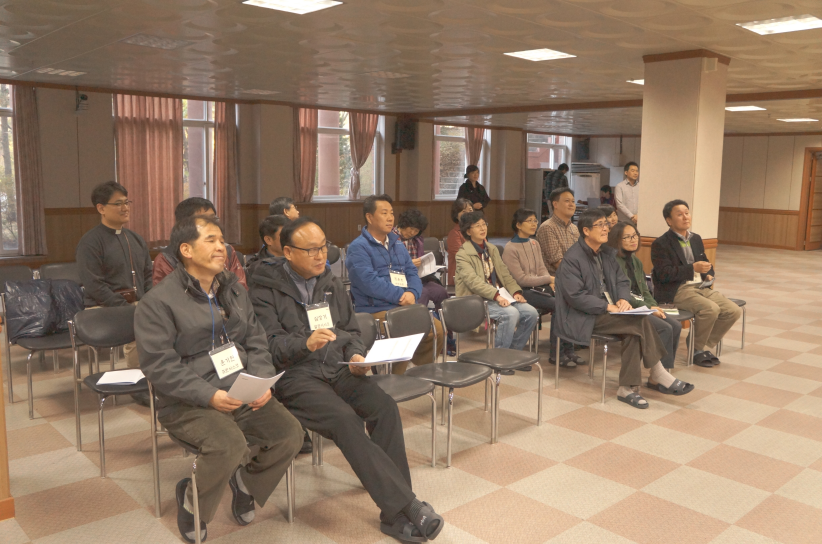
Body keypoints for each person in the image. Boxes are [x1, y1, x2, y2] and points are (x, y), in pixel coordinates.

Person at [250, 217, 445, 543]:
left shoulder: (329, 281)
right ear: (288, 252)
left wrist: (356, 355)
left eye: (323, 247)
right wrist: (305, 343)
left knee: (384, 408)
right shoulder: (264, 287)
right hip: (295, 375)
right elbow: (267, 345)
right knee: (345, 420)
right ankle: (405, 508)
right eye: (311, 250)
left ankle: (396, 508)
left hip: (337, 367)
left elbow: (351, 330)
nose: (320, 255)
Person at [135, 215, 303, 543]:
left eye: (222, 240)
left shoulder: (232, 288)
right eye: (210, 240)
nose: (221, 247)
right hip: (187, 401)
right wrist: (208, 395)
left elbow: (256, 339)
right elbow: (159, 365)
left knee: (290, 434)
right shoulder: (158, 302)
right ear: (186, 250)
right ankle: (192, 501)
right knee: (229, 445)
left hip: (239, 388)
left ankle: (245, 484)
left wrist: (261, 380)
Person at [554, 208, 693, 409]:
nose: (606, 228)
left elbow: (622, 281)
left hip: (609, 311)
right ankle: (657, 372)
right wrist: (606, 305)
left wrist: (621, 298)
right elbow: (575, 296)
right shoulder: (573, 258)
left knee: (634, 332)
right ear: (586, 231)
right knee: (638, 322)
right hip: (582, 316)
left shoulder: (606, 253)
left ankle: (627, 388)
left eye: (606, 224)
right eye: (600, 225)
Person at [346, 195, 444, 375]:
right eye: (384, 213)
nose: (390, 218)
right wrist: (400, 296)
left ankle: (419, 372)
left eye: (391, 213)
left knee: (436, 329)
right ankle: (392, 377)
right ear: (369, 217)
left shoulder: (397, 244)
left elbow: (412, 272)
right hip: (375, 309)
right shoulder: (358, 247)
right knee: (403, 328)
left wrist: (413, 293)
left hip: (403, 305)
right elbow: (369, 282)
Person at [651, 200, 742, 367]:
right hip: (677, 290)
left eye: (687, 213)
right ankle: (697, 350)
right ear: (669, 220)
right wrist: (692, 268)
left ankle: (700, 344)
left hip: (700, 287)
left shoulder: (696, 239)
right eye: (680, 214)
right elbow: (664, 274)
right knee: (710, 309)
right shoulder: (661, 243)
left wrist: (708, 274)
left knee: (733, 310)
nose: (685, 217)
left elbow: (706, 263)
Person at [76, 181, 152, 371]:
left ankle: (156, 376)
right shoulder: (90, 242)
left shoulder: (135, 239)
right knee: (140, 323)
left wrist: (148, 301)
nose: (125, 208)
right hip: (103, 307)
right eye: (118, 204)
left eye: (127, 202)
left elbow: (147, 275)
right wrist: (125, 307)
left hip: (136, 304)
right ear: (101, 208)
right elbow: (94, 285)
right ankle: (139, 377)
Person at [608, 222, 686, 385]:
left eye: (635, 235)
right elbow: (622, 294)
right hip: (628, 308)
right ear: (616, 240)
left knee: (676, 326)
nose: (633, 240)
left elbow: (644, 289)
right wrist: (648, 308)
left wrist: (653, 305)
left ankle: (662, 373)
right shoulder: (613, 262)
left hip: (643, 305)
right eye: (627, 237)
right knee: (664, 328)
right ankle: (657, 377)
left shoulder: (636, 261)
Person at [502, 209, 578, 365]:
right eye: (529, 221)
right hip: (522, 291)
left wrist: (550, 281)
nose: (533, 224)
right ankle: (556, 353)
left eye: (535, 221)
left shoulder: (534, 243)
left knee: (570, 300)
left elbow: (542, 268)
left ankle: (569, 349)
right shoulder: (510, 248)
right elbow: (521, 279)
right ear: (518, 225)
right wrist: (549, 278)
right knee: (558, 305)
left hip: (539, 287)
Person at [456, 211, 539, 351]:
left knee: (531, 313)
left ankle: (513, 352)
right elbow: (473, 282)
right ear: (468, 231)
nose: (482, 228)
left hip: (500, 295)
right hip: (477, 298)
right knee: (510, 314)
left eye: (484, 224)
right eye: (477, 226)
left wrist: (515, 292)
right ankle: (499, 355)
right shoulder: (463, 254)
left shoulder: (492, 249)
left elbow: (505, 274)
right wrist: (497, 296)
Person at [153, 197, 247, 289]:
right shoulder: (167, 258)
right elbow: (166, 294)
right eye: (204, 220)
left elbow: (240, 289)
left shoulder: (227, 250)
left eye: (213, 219)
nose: (220, 247)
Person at [394, 209, 448, 311]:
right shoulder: (391, 238)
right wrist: (409, 264)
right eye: (411, 228)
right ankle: (417, 319)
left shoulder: (417, 240)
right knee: (423, 293)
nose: (413, 233)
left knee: (440, 292)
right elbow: (388, 263)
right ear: (404, 224)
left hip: (419, 278)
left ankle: (440, 319)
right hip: (400, 280)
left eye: (416, 231)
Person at [536, 187, 578, 275]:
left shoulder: (574, 228)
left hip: (575, 275)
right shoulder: (547, 227)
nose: (571, 204)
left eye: (573, 201)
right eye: (567, 201)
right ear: (555, 204)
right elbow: (558, 263)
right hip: (556, 278)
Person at [246, 214, 289, 285]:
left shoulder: (299, 259)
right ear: (268, 240)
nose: (291, 240)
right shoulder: (255, 270)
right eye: (284, 236)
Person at [447, 198, 474, 285]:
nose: (468, 214)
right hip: (460, 277)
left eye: (470, 210)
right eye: (464, 211)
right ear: (456, 215)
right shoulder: (454, 234)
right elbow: (462, 256)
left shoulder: (478, 231)